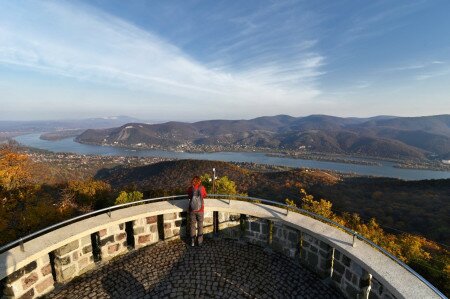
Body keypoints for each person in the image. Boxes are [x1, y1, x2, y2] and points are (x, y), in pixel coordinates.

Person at [187, 176, 207, 247]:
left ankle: (192, 241)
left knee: (192, 225)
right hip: (200, 209)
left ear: (193, 181)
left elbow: (189, 196)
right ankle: (200, 242)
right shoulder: (202, 188)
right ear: (199, 181)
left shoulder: (190, 188)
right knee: (200, 225)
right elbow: (205, 195)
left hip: (192, 209)